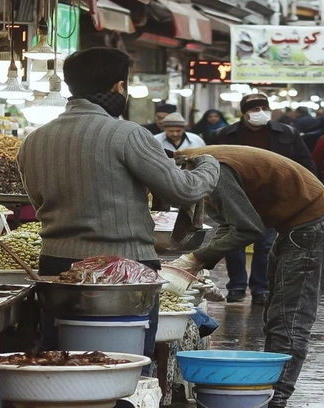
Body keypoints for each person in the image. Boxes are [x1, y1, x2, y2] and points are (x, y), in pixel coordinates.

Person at [16, 47, 220, 359]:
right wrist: (210, 164)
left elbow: (38, 200)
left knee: (62, 358)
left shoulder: (34, 140)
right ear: (118, 87)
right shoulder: (127, 134)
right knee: (125, 362)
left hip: (56, 268)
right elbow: (184, 190)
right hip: (125, 270)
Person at [167, 145, 324, 408]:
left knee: (290, 319)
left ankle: (275, 398)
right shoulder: (197, 163)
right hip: (300, 229)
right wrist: (201, 262)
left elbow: (247, 228)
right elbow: (230, 225)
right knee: (278, 318)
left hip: (315, 229)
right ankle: (267, 389)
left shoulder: (212, 170)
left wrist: (195, 259)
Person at [209, 93, 314, 304]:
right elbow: (211, 164)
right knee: (234, 242)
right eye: (254, 109)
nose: (260, 113)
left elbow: (304, 163)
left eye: (264, 109)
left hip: (272, 196)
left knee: (265, 245)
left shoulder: (287, 133)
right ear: (244, 113)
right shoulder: (224, 134)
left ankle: (261, 288)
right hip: (236, 195)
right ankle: (237, 286)